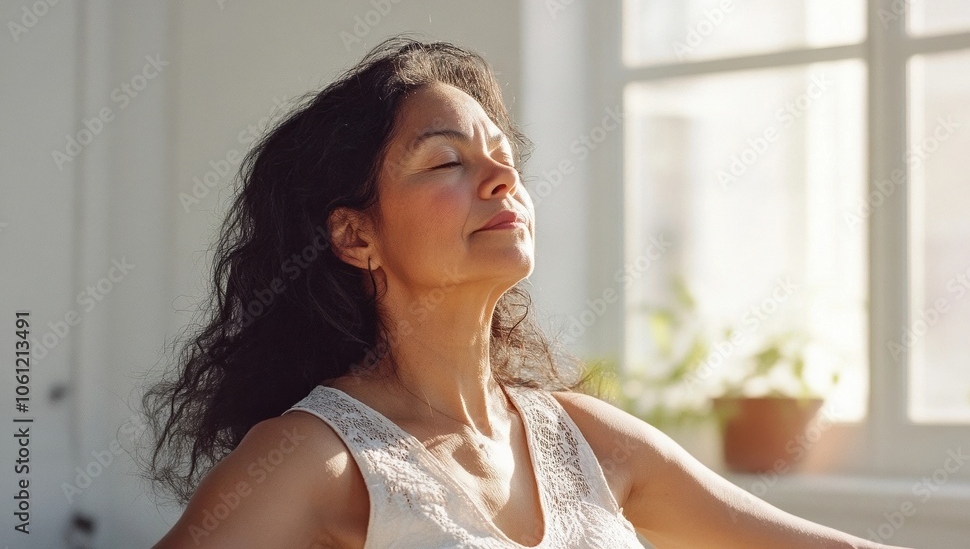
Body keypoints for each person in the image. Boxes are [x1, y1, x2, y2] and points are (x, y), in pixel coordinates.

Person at [144, 36, 915, 548]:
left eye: (503, 156)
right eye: (447, 162)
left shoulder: (588, 437)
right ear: (354, 236)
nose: (501, 177)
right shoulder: (313, 456)